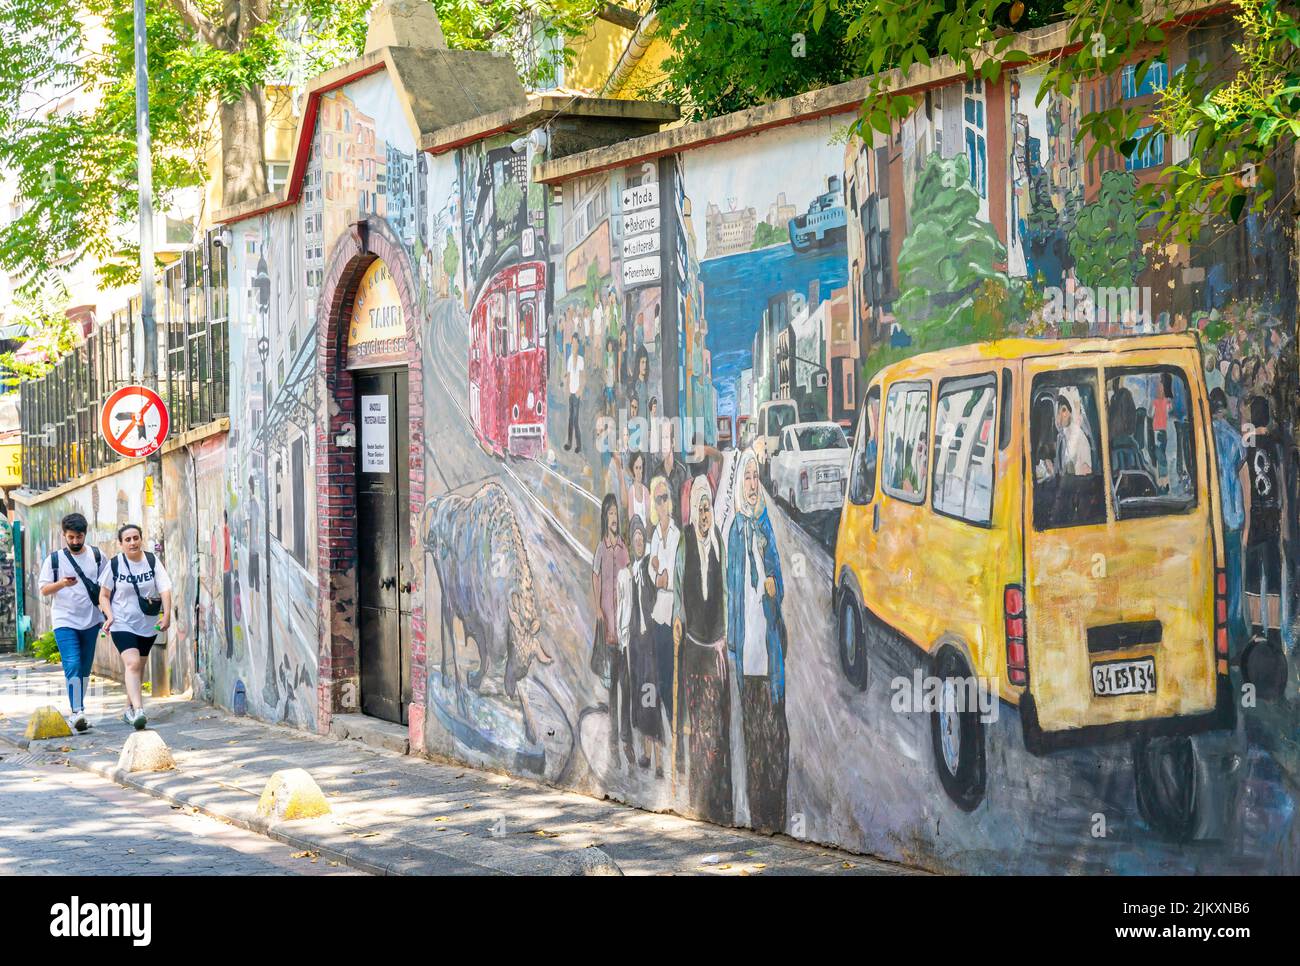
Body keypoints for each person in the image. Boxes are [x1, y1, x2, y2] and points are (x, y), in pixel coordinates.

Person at [725, 449, 790, 833]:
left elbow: (778, 581)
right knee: (754, 737)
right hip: (746, 655)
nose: (752, 484)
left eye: (755, 476)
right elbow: (733, 593)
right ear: (739, 484)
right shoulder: (735, 532)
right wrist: (732, 644)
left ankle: (776, 813)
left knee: (774, 735)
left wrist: (772, 586)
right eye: (746, 477)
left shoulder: (765, 526)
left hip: (768, 653)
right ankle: (760, 814)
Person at [673, 476, 733, 825]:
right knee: (699, 723)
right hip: (695, 648)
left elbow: (723, 591)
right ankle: (699, 795)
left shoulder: (719, 544)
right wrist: (680, 617)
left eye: (708, 507)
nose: (705, 513)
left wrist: (726, 637)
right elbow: (681, 584)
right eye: (699, 508)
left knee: (718, 723)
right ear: (693, 512)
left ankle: (719, 798)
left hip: (716, 648)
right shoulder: (685, 542)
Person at [38, 513, 112, 731]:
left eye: (79, 537)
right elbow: (44, 589)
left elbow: (107, 586)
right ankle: (77, 711)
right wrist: (61, 583)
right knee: (72, 663)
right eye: (71, 537)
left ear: (85, 534)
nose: (75, 542)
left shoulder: (98, 556)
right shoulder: (54, 559)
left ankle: (78, 707)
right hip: (64, 620)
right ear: (64, 536)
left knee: (85, 668)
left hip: (91, 620)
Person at [101, 524, 173, 729]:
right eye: (128, 540)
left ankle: (128, 709)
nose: (132, 542)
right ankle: (140, 711)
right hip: (121, 622)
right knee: (132, 663)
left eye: (135, 538)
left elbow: (165, 589)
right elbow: (104, 595)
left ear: (141, 539)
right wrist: (109, 615)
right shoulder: (115, 564)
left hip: (147, 623)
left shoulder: (151, 561)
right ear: (121, 543)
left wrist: (166, 615)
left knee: (138, 667)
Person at [618, 516, 664, 773]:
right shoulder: (630, 572)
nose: (638, 543)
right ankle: (647, 752)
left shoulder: (647, 566)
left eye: (640, 540)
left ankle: (657, 758)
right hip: (636, 645)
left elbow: (656, 580)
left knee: (651, 699)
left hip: (650, 645)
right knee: (643, 699)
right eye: (634, 540)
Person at [593, 494, 635, 768]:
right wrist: (598, 608)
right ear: (604, 519)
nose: (614, 519)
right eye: (609, 514)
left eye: (615, 514)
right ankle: (613, 746)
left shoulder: (622, 550)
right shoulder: (601, 548)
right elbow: (595, 576)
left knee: (627, 687)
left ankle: (626, 740)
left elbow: (629, 584)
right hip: (608, 627)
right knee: (612, 692)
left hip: (623, 630)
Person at [1210, 389, 1249, 654]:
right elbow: (1242, 478)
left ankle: (1217, 641)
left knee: (1215, 579)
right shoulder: (1235, 438)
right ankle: (1236, 640)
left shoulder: (1203, 435)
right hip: (1233, 518)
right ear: (1224, 409)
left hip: (1212, 520)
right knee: (1234, 581)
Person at [647, 475, 680, 759]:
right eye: (658, 499)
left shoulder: (678, 537)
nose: (663, 503)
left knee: (673, 683)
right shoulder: (655, 536)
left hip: (674, 618)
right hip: (659, 616)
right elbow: (653, 574)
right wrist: (660, 576)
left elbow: (672, 577)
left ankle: (677, 738)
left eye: (665, 497)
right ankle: (666, 740)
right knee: (660, 681)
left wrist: (662, 576)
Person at [564, 340, 584, 453]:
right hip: (571, 393)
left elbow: (582, 376)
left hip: (577, 393)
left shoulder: (581, 360)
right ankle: (569, 443)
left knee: (576, 420)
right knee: (570, 419)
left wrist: (580, 391)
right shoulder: (570, 359)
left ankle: (579, 444)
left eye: (575, 345)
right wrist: (567, 389)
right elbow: (569, 375)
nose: (574, 347)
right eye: (572, 345)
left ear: (578, 346)